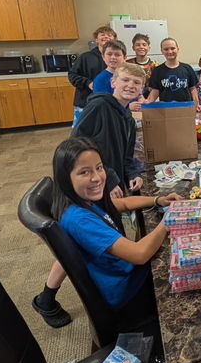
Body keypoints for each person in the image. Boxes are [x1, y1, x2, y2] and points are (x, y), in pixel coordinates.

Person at [31, 63, 149, 328]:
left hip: (102, 178)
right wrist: (107, 177)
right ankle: (47, 297)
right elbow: (77, 144)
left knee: (81, 241)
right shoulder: (99, 106)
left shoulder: (127, 116)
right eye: (126, 80)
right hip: (92, 181)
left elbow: (127, 154)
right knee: (84, 236)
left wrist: (128, 172)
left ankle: (46, 297)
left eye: (136, 83)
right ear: (113, 82)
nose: (130, 86)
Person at [50, 136, 181, 330]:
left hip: (125, 278)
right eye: (84, 172)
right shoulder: (80, 220)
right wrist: (168, 220)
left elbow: (124, 203)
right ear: (65, 177)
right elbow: (139, 254)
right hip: (127, 293)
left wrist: (158, 200)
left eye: (99, 167)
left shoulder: (83, 200)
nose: (96, 178)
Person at [68, 24, 117, 123]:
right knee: (82, 132)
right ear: (96, 39)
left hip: (109, 103)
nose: (106, 36)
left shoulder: (116, 58)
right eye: (102, 34)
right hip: (85, 102)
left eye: (109, 35)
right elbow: (72, 75)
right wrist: (88, 83)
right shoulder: (85, 57)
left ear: (114, 39)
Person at [146, 38, 201, 110]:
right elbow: (155, 92)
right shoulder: (157, 71)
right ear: (162, 51)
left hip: (186, 109)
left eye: (173, 48)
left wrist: (196, 104)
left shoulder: (187, 68)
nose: (170, 51)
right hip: (166, 110)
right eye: (166, 49)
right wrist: (147, 104)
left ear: (178, 49)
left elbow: (193, 89)